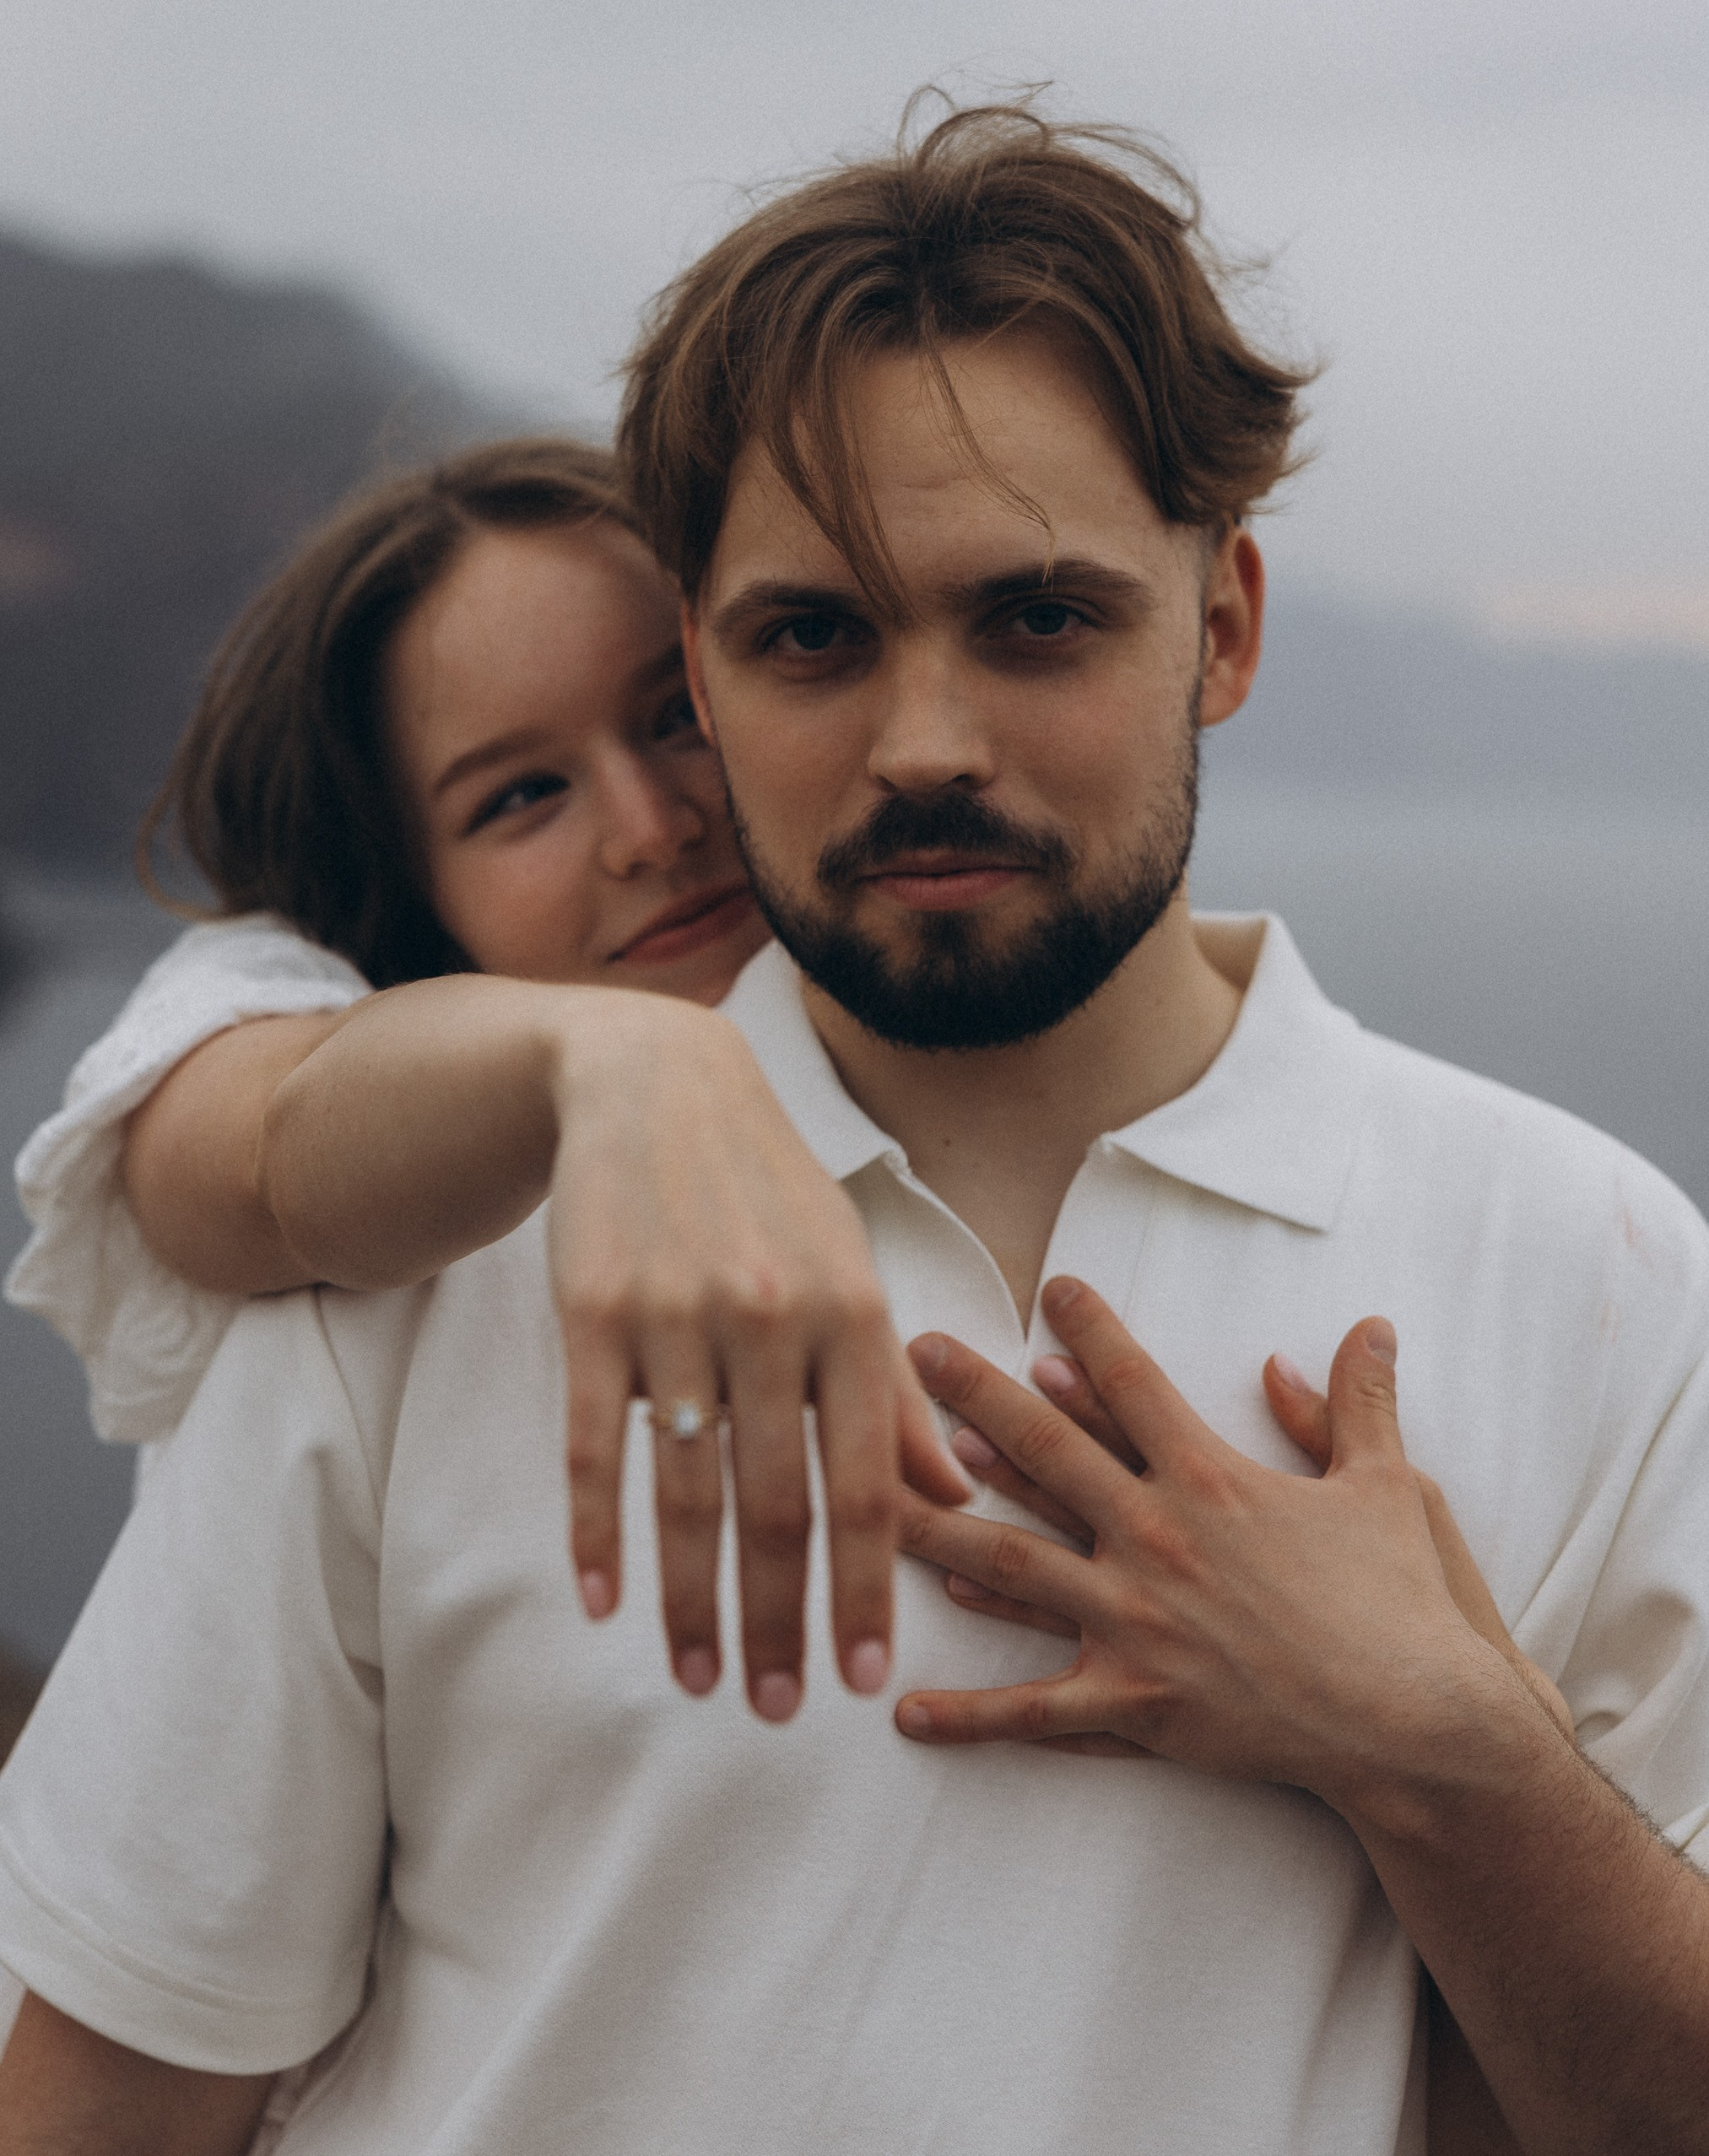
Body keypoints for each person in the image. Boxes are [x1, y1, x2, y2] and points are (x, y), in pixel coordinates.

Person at [3, 105, 1706, 2153]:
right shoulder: (425, 1243)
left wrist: (1445, 1756)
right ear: (709, 675)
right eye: (811, 635)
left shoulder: (1589, 1273)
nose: (921, 744)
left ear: (1222, 628)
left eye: (1037, 616)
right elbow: (117, 2094)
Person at [8, 436, 966, 1715]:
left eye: (679, 715)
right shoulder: (381, 1190)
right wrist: (624, 1057)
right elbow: (231, 1159)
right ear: (417, 894)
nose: (649, 829)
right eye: (521, 796)